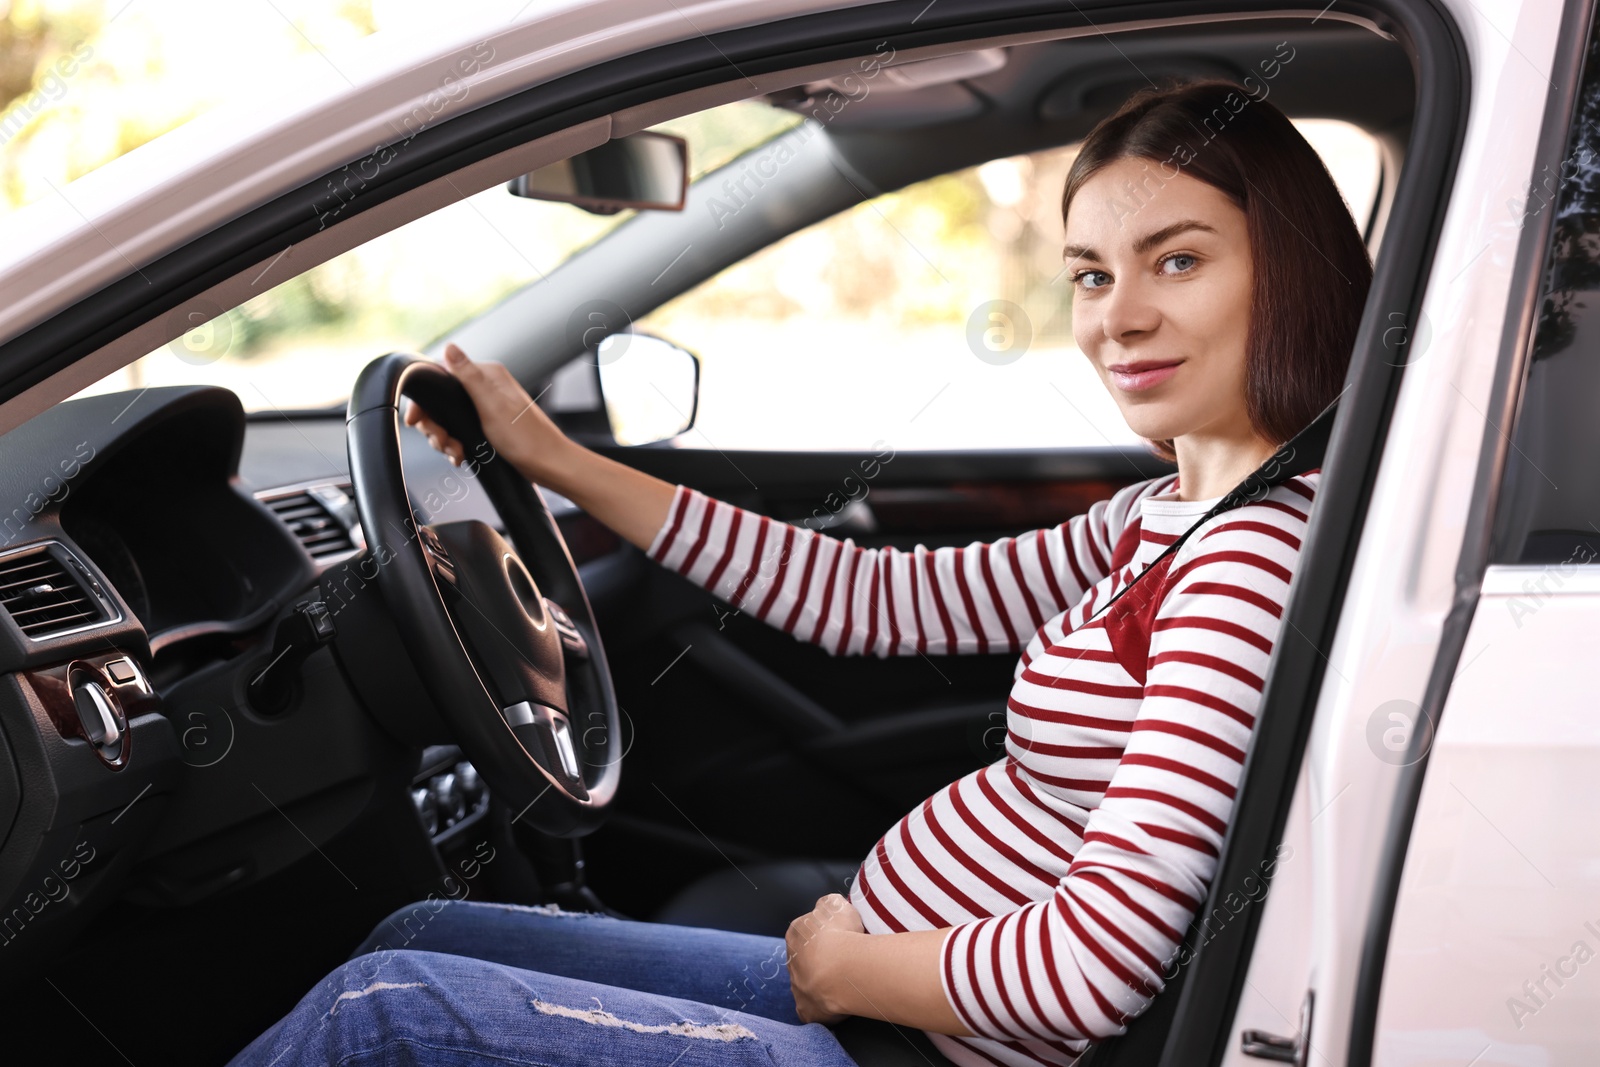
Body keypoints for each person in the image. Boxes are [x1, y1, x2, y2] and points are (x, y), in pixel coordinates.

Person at [226, 77, 1372, 1067]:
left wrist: (848, 971)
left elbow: (1090, 968)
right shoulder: (1166, 516)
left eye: (1175, 260)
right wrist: (555, 459)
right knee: (417, 934)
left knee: (384, 1012)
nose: (1117, 317)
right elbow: (876, 600)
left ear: (1293, 268)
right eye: (1087, 274)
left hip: (903, 1036)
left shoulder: (1240, 565)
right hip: (881, 1000)